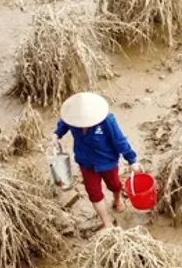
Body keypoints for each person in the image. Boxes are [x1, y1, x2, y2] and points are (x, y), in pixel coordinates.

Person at [55, 92, 138, 231]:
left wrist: (132, 160)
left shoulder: (107, 120)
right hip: (86, 163)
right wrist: (56, 134)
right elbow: (64, 123)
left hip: (107, 162)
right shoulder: (73, 120)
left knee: (114, 185)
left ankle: (117, 199)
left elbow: (120, 141)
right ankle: (107, 223)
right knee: (94, 193)